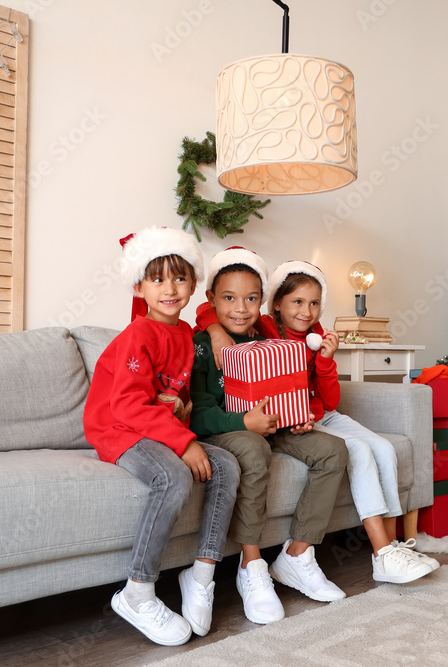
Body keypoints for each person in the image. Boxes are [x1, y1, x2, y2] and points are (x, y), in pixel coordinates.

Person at [198, 261, 439, 584]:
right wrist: (213, 329)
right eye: (298, 302)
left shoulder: (317, 338)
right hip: (276, 419)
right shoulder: (264, 328)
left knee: (378, 448)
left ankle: (390, 547)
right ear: (277, 304)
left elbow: (330, 400)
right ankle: (380, 551)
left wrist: (325, 361)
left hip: (309, 414)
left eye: (314, 304)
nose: (306, 311)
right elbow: (211, 307)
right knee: (357, 451)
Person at [83, 227, 240, 646]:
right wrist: (184, 442)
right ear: (139, 285)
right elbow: (129, 405)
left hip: (156, 428)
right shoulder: (139, 333)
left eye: (179, 277)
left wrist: (185, 423)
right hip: (119, 429)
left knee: (226, 464)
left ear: (193, 282)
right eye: (157, 279)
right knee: (173, 476)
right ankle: (136, 591)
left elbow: (176, 389)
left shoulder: (187, 333)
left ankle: (202, 572)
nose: (170, 288)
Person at [190, 247, 350, 625]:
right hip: (231, 431)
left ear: (262, 303)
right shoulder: (202, 345)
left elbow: (294, 387)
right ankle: (252, 564)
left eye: (250, 299)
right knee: (253, 449)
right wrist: (244, 423)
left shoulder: (267, 336)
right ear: (212, 301)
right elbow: (199, 414)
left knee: (334, 450)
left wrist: (297, 416)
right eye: (229, 298)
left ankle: (297, 555)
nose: (240, 308)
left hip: (276, 425)